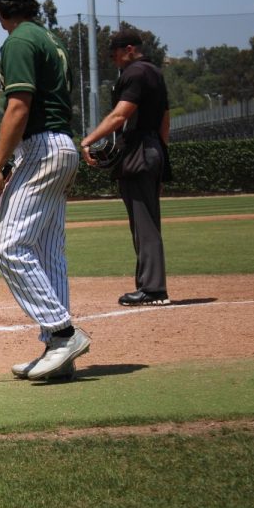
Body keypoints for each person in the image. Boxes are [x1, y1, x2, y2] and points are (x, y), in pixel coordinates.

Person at [0, 0, 91, 382]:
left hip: (44, 147)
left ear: (0, 6)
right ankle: (58, 352)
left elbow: (19, 109)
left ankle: (63, 334)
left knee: (8, 247)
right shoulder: (50, 39)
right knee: (47, 253)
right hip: (59, 144)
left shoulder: (19, 41)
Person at [80, 28, 172, 307]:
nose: (114, 60)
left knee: (144, 224)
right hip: (152, 147)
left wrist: (88, 140)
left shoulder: (134, 73)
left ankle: (154, 289)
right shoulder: (155, 72)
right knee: (146, 221)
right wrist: (162, 155)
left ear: (129, 49)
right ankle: (148, 285)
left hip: (139, 151)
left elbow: (121, 114)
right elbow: (165, 118)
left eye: (115, 54)